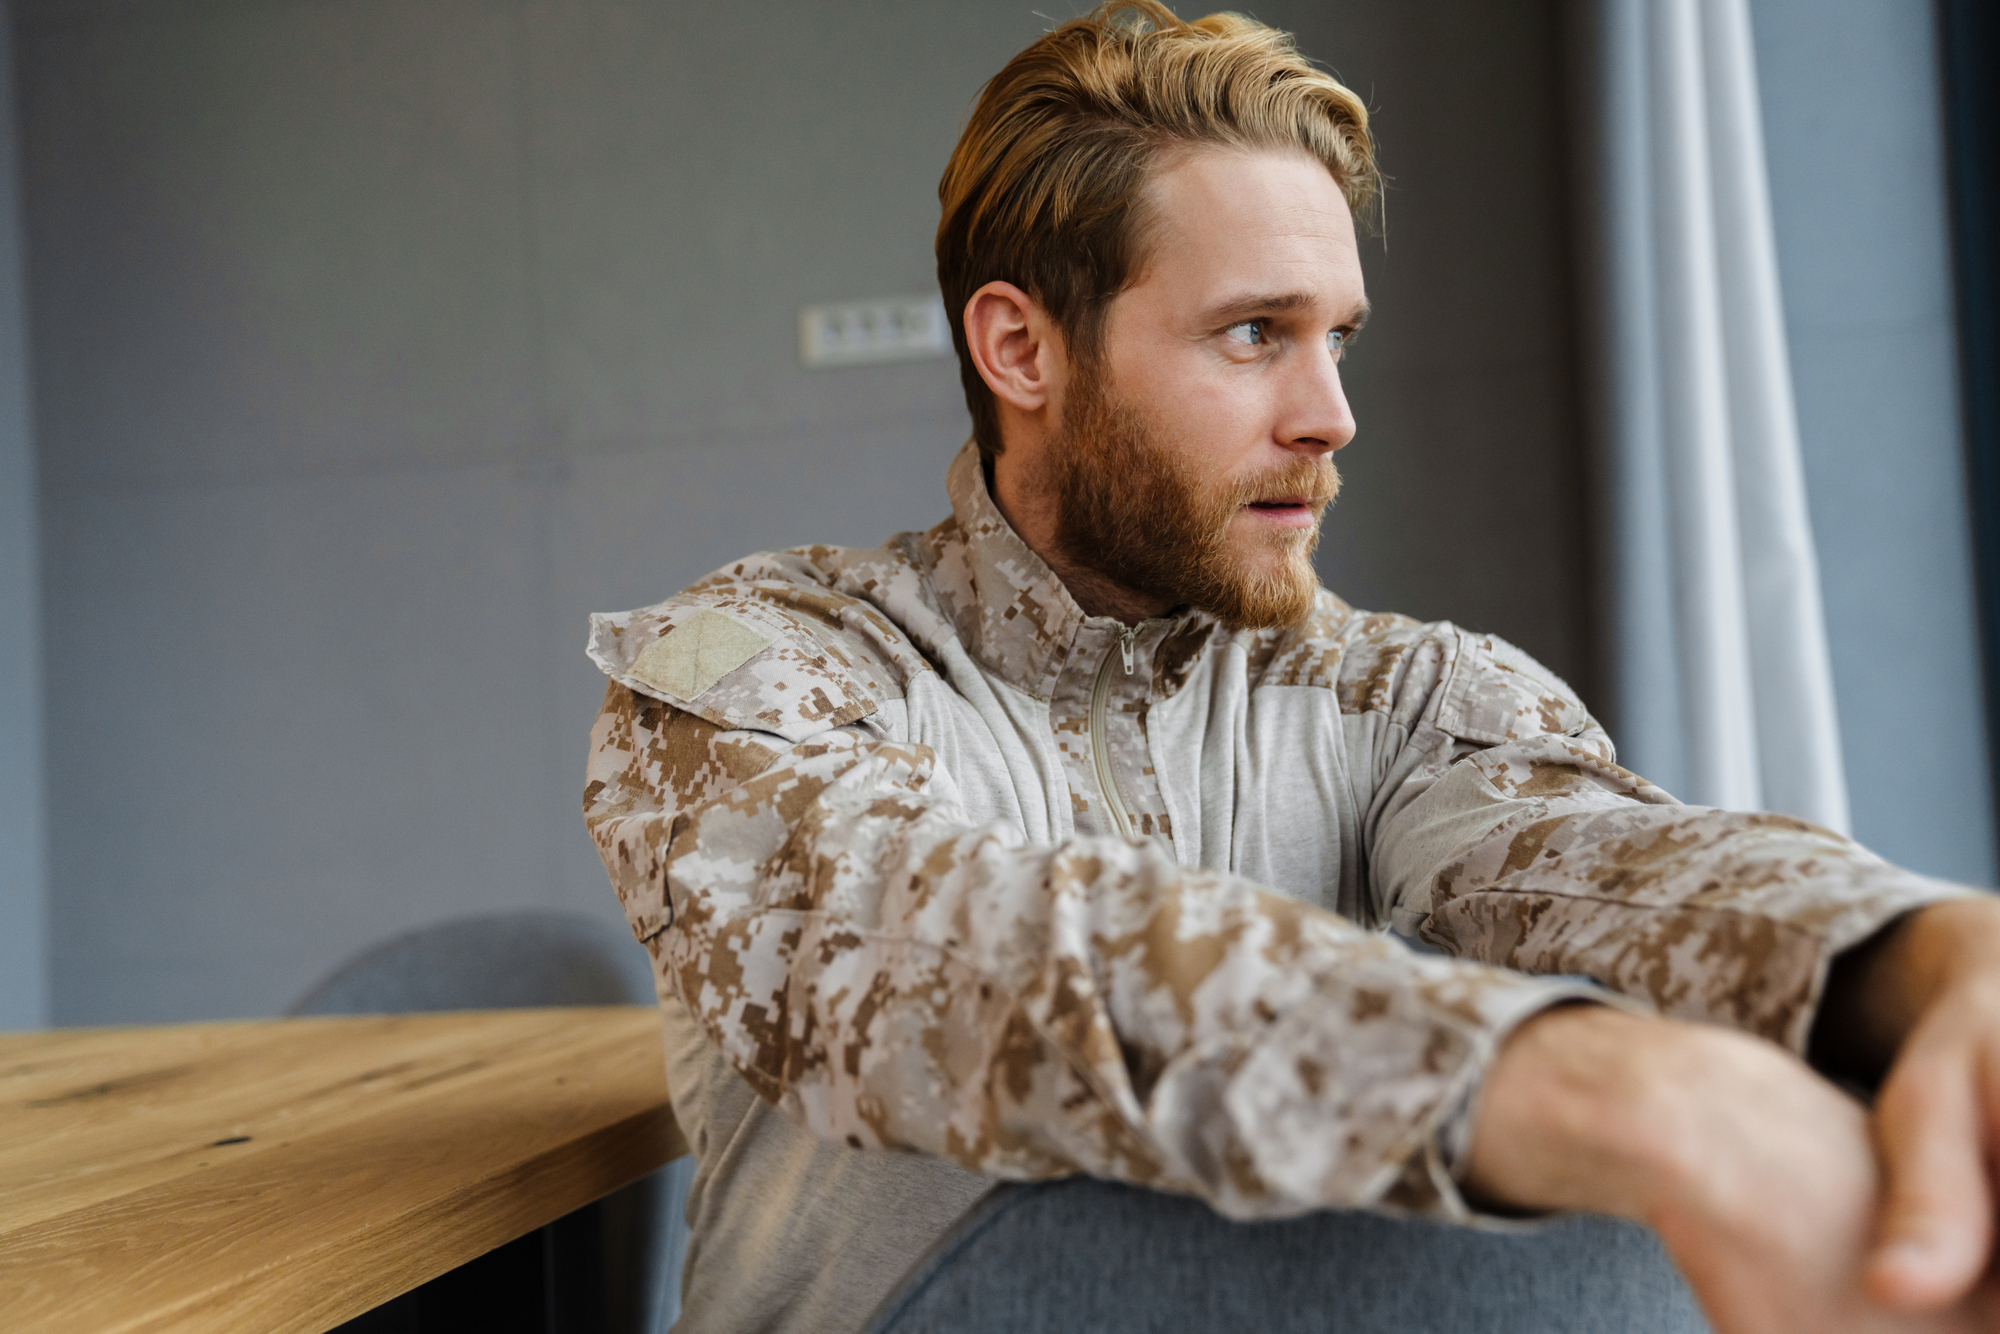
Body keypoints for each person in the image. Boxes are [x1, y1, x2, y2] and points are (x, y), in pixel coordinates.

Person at [582, 5, 2000, 1331]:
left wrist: (1928, 955)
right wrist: (1602, 1084)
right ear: (1021, 346)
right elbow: (942, 954)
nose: (1330, 417)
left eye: (1339, 341)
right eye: (1255, 334)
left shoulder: (1408, 696)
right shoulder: (762, 667)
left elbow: (1610, 863)